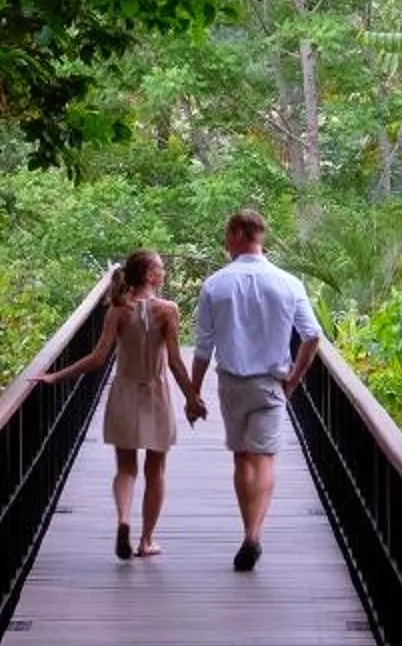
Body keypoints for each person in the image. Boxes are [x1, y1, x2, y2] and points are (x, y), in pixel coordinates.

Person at [185, 208, 323, 571]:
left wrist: (193, 393)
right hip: (270, 383)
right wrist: (294, 377)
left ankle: (248, 530)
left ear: (236, 234)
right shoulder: (289, 283)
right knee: (264, 458)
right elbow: (312, 336)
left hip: (232, 382)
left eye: (226, 235)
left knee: (242, 457)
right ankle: (254, 534)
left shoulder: (216, 284)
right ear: (259, 236)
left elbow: (203, 347)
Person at [36, 250, 198, 559]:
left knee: (125, 468)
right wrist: (191, 396)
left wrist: (56, 377)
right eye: (160, 269)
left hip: (124, 392)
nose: (164, 274)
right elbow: (176, 363)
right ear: (149, 275)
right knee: (156, 469)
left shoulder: (118, 310)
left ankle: (123, 519)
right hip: (156, 393)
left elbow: (97, 359)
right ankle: (146, 540)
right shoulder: (168, 310)